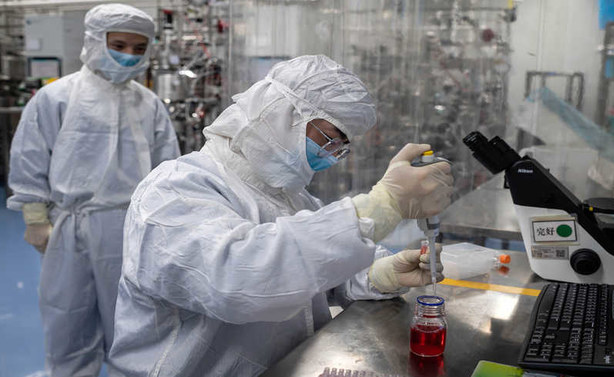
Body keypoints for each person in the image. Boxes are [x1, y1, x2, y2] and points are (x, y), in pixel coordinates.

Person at [109, 55, 453, 376]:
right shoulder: (174, 189)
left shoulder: (288, 196)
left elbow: (316, 275)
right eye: (330, 138)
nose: (334, 155)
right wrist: (382, 207)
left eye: (342, 146)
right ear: (283, 114)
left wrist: (379, 275)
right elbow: (241, 281)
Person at [6, 4, 180, 376]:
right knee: (68, 321)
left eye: (138, 48)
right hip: (71, 228)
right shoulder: (56, 98)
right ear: (94, 41)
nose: (128, 55)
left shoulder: (149, 104)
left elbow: (169, 170)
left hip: (136, 229)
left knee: (136, 327)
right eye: (118, 45)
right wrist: (35, 217)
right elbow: (30, 159)